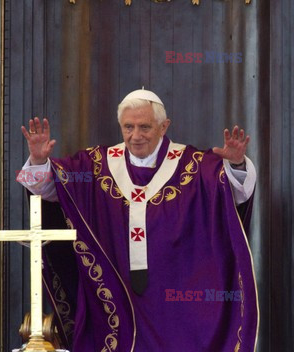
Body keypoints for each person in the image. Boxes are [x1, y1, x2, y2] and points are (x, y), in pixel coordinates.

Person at [17, 89, 258, 351]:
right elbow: (47, 190)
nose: (135, 136)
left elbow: (235, 192)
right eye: (128, 127)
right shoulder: (95, 166)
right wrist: (39, 161)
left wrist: (236, 165)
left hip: (178, 298)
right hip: (116, 292)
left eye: (145, 127)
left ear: (164, 127)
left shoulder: (194, 165)